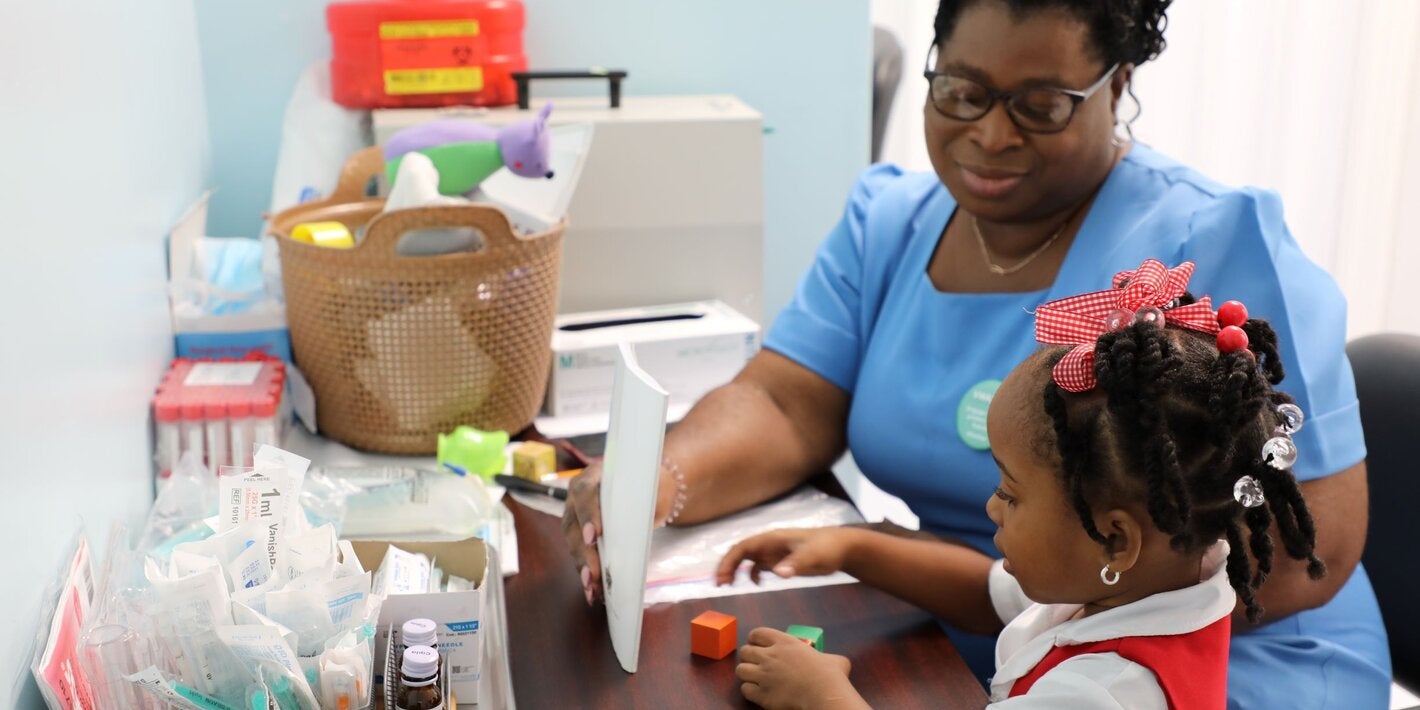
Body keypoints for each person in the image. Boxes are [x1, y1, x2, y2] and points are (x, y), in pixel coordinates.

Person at [563, 0, 1391, 705]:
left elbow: (1307, 545)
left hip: (1189, 655)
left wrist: (1062, 607)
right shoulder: (889, 220)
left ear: (1119, 87)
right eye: (962, 91)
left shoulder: (1209, 239)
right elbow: (786, 400)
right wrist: (655, 483)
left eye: (1041, 104)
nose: (990, 135)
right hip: (1003, 613)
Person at [720, 260, 1325, 708]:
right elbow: (992, 596)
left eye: (1010, 492)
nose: (992, 505)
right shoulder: (1172, 568)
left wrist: (824, 697)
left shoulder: (1099, 693)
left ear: (1115, 540)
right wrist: (853, 548)